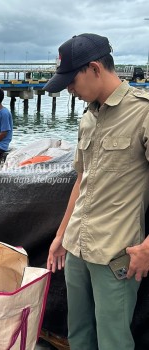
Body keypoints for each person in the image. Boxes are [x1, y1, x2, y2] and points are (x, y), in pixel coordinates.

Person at [44, 33, 149, 350]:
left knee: (113, 342)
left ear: (94, 68)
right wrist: (61, 236)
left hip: (115, 254)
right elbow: (81, 180)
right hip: (77, 248)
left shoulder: (142, 113)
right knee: (79, 335)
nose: (69, 90)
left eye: (71, 82)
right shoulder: (88, 118)